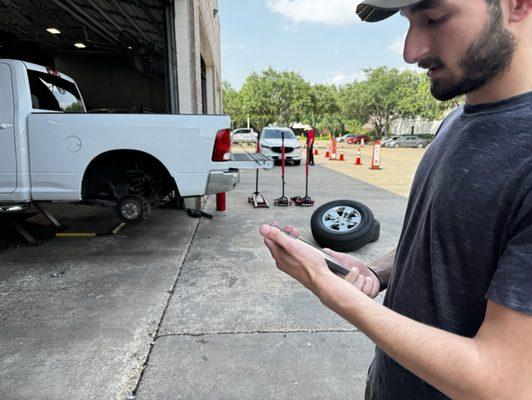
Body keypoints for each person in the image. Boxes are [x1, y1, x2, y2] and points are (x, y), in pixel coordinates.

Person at [259, 0, 532, 399]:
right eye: (408, 22)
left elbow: (503, 383)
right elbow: (446, 243)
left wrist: (328, 288)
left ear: (518, 5)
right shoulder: (457, 120)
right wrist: (377, 271)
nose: (410, 51)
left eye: (434, 18)